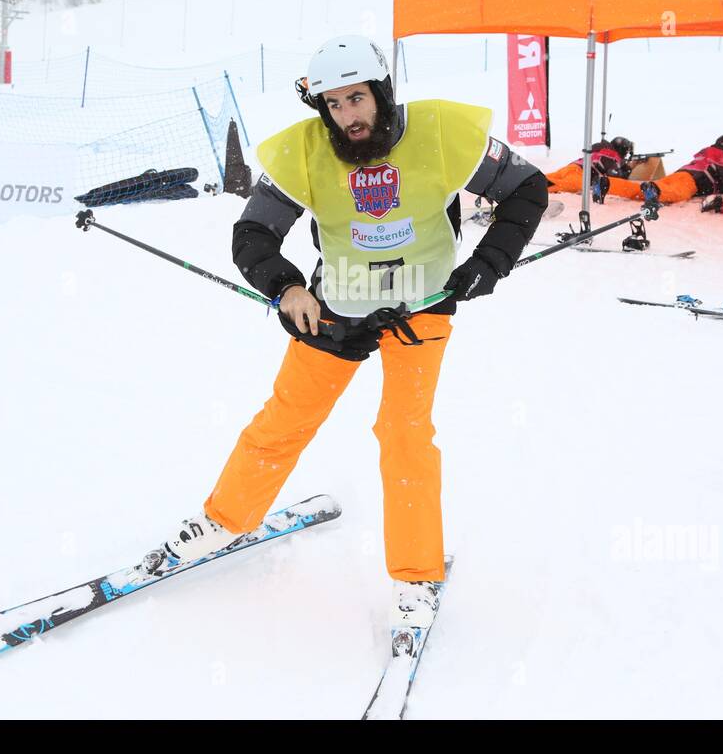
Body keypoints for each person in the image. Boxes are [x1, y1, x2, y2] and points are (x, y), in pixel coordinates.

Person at [144, 35, 548, 626]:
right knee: (284, 420)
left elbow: (526, 190)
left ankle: (416, 576)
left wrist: (487, 266)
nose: (347, 116)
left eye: (357, 99)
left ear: (381, 92)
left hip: (423, 306)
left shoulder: (439, 131)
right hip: (335, 308)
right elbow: (253, 232)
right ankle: (223, 521)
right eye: (333, 104)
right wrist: (286, 288)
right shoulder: (305, 152)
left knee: (404, 434)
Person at [594, 135, 723, 205]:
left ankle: (608, 184)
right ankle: (655, 190)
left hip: (680, 174)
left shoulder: (706, 153)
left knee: (640, 190)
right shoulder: (722, 157)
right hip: (691, 181)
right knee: (677, 194)